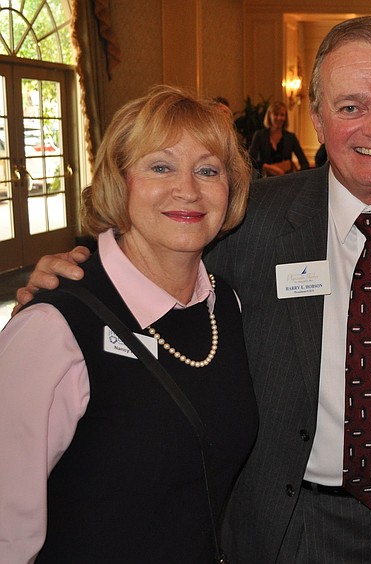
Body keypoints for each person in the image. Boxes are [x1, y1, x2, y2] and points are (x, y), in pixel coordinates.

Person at [17, 15, 371, 564]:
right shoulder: (247, 219)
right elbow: (159, 243)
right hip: (283, 519)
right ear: (317, 117)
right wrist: (77, 274)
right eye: (350, 107)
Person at [0, 85, 258, 562]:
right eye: (160, 167)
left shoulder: (227, 307)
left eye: (208, 170)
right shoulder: (53, 329)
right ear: (120, 181)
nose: (188, 189)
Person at [248, 100, 310, 176]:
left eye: (282, 115)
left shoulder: (291, 137)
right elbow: (250, 160)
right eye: (276, 114)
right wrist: (270, 167)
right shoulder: (260, 135)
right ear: (270, 116)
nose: (279, 118)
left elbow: (304, 163)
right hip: (265, 180)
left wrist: (296, 177)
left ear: (285, 117)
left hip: (286, 180)